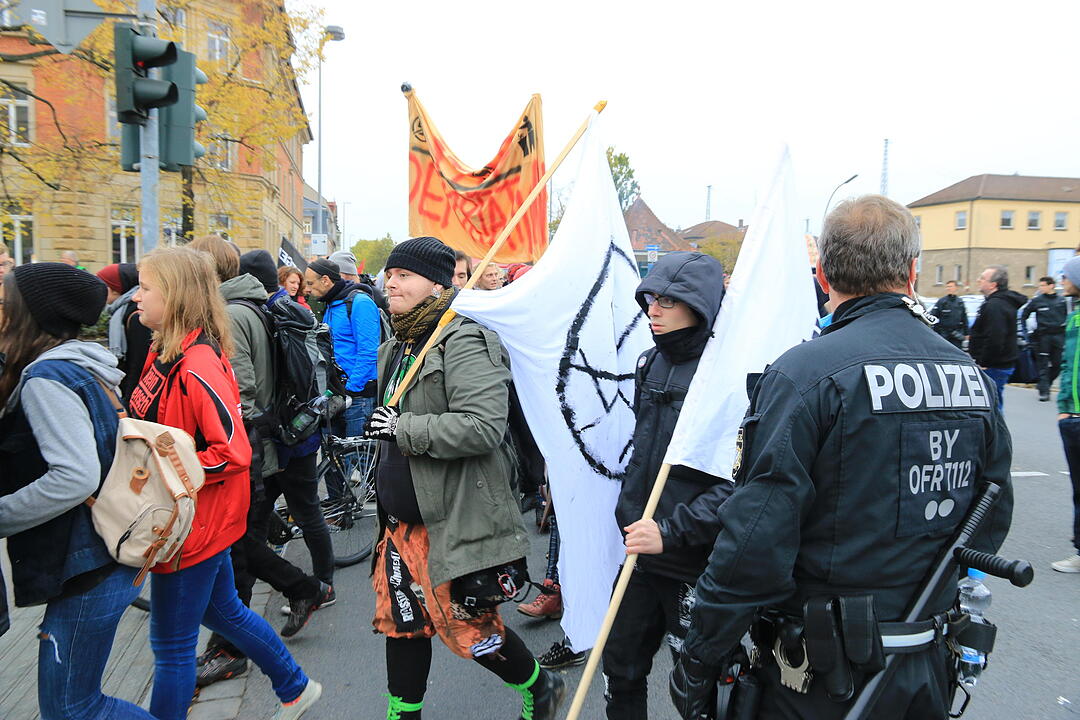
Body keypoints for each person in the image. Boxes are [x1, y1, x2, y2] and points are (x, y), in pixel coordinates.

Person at [668, 195, 1014, 720]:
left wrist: (700, 653)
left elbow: (756, 541)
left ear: (824, 273)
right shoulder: (969, 375)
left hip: (818, 681)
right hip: (922, 663)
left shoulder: (804, 373)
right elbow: (990, 522)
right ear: (912, 272)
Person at [363, 237, 564, 719]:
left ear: (437, 283)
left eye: (404, 275)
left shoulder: (465, 336)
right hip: (398, 524)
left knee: (470, 630)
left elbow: (483, 425)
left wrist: (402, 428)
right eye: (390, 274)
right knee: (402, 624)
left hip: (449, 518)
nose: (391, 281)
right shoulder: (398, 342)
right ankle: (402, 714)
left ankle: (540, 686)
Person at [128, 247, 321, 720]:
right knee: (224, 612)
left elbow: (232, 452)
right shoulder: (165, 351)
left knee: (172, 647)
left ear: (173, 297)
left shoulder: (197, 362)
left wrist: (170, 474)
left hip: (195, 523)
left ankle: (295, 687)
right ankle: (295, 688)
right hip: (192, 518)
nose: (136, 295)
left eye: (147, 287)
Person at [0, 263, 157, 720]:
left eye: (7, 304)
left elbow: (74, 476)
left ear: (31, 315)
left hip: (88, 565)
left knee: (74, 709)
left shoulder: (47, 379)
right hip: (105, 556)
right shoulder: (80, 365)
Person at [190, 243, 334, 687]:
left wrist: (235, 443)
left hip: (259, 444)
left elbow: (241, 390)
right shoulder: (261, 303)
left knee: (242, 543)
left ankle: (235, 646)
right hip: (280, 437)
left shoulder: (233, 313)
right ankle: (305, 589)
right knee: (249, 539)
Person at [602, 251, 731, 720]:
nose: (652, 310)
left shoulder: (728, 376)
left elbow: (744, 481)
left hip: (693, 562)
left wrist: (673, 531)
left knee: (697, 690)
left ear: (699, 304)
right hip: (638, 551)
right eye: (650, 298)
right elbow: (642, 452)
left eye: (667, 301)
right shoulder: (648, 363)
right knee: (620, 670)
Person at [303, 258, 380, 439]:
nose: (307, 289)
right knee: (334, 461)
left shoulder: (359, 302)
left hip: (357, 397)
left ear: (325, 280)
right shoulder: (332, 303)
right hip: (337, 394)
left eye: (310, 283)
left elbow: (369, 352)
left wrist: (351, 389)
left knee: (356, 461)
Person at [969, 265, 1027, 410]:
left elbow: (995, 337)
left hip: (994, 365)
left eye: (982, 278)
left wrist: (984, 361)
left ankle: (996, 433)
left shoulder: (996, 305)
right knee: (993, 402)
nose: (978, 280)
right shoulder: (999, 302)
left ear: (993, 284)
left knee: (991, 405)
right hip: (999, 363)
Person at [1054, 257, 1080, 573]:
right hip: (1071, 417)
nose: (1062, 280)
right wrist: (1063, 408)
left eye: (1066, 276)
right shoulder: (1073, 319)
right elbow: (1067, 365)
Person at [97, 262, 154, 400]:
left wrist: (129, 399)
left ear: (116, 289)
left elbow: (138, 363)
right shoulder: (121, 311)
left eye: (104, 286)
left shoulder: (137, 315)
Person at [1022, 276, 1067, 401]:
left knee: (1058, 365)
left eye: (1042, 285)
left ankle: (1045, 384)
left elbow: (1066, 318)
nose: (1040, 288)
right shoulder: (1037, 301)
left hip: (1058, 336)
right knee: (1043, 365)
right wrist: (1026, 333)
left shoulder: (1061, 300)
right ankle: (1044, 392)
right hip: (1043, 337)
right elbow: (1023, 315)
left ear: (1051, 285)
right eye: (1039, 286)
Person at [929, 279, 968, 349]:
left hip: (956, 334)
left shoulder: (960, 302)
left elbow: (964, 318)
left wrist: (967, 333)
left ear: (956, 288)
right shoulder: (942, 302)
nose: (948, 288)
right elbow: (933, 316)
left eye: (950, 286)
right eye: (947, 287)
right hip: (944, 334)